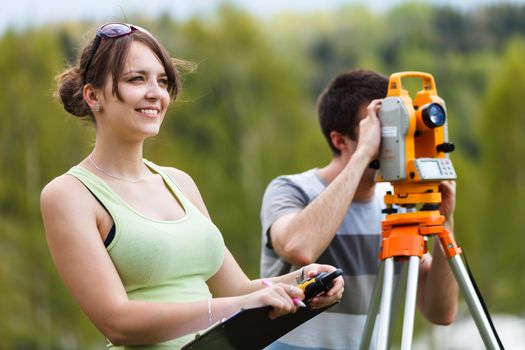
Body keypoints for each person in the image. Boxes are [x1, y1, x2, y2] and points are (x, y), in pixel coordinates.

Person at [40, 23, 344, 349]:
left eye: (162, 81)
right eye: (136, 79)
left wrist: (301, 281)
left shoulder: (179, 182)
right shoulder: (69, 195)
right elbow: (118, 322)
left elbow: (236, 290)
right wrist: (234, 307)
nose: (156, 93)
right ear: (92, 95)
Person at [260, 69, 459, 349]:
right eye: (380, 129)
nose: (393, 141)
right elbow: (299, 247)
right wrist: (365, 153)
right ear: (340, 140)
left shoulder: (397, 202)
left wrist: (445, 221)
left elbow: (442, 312)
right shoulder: (291, 189)